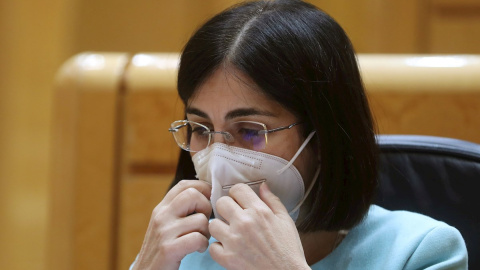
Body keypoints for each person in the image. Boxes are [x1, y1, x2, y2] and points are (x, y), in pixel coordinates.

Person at [131, 0, 468, 269]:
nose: (217, 159)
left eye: (249, 130)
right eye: (200, 129)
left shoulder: (421, 251)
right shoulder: (185, 248)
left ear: (322, 138)